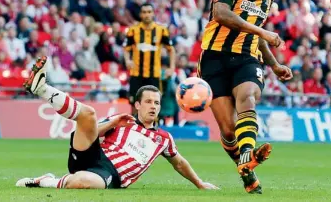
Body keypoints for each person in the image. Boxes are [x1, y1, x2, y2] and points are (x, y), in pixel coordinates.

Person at [16, 56, 218, 190]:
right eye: (148, 102)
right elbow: (91, 132)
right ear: (137, 104)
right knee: (88, 114)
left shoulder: (163, 139)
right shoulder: (124, 121)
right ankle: (41, 88)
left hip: (111, 173)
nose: (153, 106)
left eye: (156, 102)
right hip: (92, 154)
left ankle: (46, 181)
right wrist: (113, 122)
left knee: (83, 182)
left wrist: (200, 184)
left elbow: (180, 163)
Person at [198, 0, 293, 194]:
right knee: (229, 132)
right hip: (214, 57)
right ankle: (247, 170)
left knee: (248, 97)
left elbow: (255, 32)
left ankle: (248, 152)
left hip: (246, 57)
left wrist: (273, 64)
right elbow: (221, 13)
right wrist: (262, 30)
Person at [123, 3, 176, 115]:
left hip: (154, 74)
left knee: (154, 103)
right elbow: (126, 48)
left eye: (149, 12)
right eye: (144, 12)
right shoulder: (133, 30)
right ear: (140, 14)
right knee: (134, 103)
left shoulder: (161, 30)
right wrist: (127, 60)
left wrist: (172, 68)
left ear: (153, 14)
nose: (147, 15)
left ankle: (152, 129)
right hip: (137, 73)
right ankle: (134, 127)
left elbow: (171, 50)